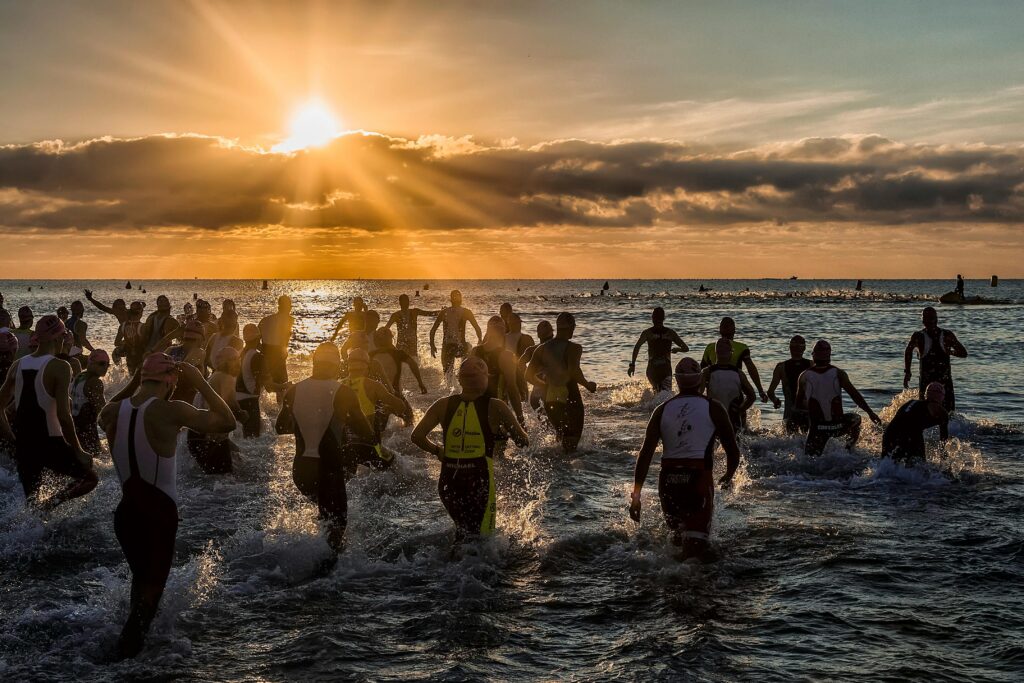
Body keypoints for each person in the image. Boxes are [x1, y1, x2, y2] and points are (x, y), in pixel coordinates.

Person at [98, 352, 235, 658]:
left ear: (142, 379)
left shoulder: (111, 411)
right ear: (171, 381)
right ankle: (123, 659)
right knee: (151, 594)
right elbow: (227, 422)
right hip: (158, 513)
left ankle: (131, 647)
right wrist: (201, 382)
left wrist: (133, 383)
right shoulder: (171, 410)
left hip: (126, 513)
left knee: (141, 582)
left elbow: (102, 415)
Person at [629, 357, 740, 558]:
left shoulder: (661, 410)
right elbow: (732, 451)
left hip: (668, 481)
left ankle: (670, 585)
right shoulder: (713, 407)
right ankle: (690, 585)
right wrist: (728, 476)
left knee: (676, 542)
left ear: (677, 381)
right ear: (700, 380)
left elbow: (644, 455)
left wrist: (636, 496)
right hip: (697, 479)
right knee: (696, 552)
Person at [411, 357, 528, 540]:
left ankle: (450, 565)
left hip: (449, 480)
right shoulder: (496, 406)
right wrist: (506, 430)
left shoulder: (442, 404)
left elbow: (416, 436)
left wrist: (437, 451)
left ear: (459, 379)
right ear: (484, 378)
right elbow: (522, 441)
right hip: (479, 480)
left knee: (462, 532)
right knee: (483, 539)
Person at [276, 342, 377, 553]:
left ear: (315, 362)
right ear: (336, 365)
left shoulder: (293, 390)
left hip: (301, 471)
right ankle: (329, 570)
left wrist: (309, 420)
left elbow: (281, 427)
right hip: (329, 468)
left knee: (325, 514)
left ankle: (311, 554)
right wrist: (343, 420)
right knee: (337, 527)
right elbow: (367, 433)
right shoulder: (344, 392)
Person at [0, 315, 98, 508]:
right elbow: (63, 415)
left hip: (24, 443)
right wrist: (78, 450)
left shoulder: (17, 365)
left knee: (31, 503)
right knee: (89, 479)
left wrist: (12, 439)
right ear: (58, 338)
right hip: (50, 442)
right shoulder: (61, 366)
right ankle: (50, 506)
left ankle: (33, 526)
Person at [525, 312, 598, 453]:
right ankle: (570, 473)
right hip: (570, 397)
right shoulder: (574, 348)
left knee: (560, 439)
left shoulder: (541, 349)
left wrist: (544, 385)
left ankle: (559, 473)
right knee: (572, 444)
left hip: (550, 399)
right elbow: (574, 372)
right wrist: (588, 385)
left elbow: (527, 375)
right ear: (571, 327)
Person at [796, 340, 881, 456]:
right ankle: (848, 449)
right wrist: (870, 413)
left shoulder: (803, 376)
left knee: (809, 462)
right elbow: (855, 395)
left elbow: (798, 405)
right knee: (856, 418)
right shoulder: (838, 373)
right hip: (837, 426)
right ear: (829, 356)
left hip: (817, 429)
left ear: (813, 355)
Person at [903, 306, 967, 439]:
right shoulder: (919, 336)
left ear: (936, 320)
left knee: (948, 414)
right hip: (929, 385)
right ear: (923, 321)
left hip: (943, 384)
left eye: (931, 319)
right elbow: (908, 352)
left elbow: (963, 353)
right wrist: (907, 372)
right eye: (927, 319)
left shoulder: (946, 335)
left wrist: (950, 352)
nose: (930, 322)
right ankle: (932, 441)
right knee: (929, 414)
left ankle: (943, 441)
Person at [341, 349, 408, 475]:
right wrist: (389, 407)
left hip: (344, 445)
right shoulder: (372, 385)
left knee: (349, 478)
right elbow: (401, 407)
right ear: (367, 367)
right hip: (369, 444)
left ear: (348, 366)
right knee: (394, 466)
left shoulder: (338, 385)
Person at [186, 347, 243, 474]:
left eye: (239, 359)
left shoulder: (213, 377)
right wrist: (242, 414)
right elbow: (230, 403)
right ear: (225, 362)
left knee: (236, 453)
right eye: (234, 359)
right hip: (209, 435)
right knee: (224, 478)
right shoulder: (226, 377)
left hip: (195, 436)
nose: (238, 363)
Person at [235, 324, 288, 438]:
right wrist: (284, 386)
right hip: (249, 403)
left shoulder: (238, 354)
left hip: (234, 402)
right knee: (252, 439)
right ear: (259, 339)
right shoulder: (258, 357)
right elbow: (269, 386)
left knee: (239, 438)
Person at [471, 316, 525, 425]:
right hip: (497, 408)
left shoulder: (474, 352)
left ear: (488, 331)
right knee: (498, 440)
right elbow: (512, 389)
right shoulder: (507, 356)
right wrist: (520, 418)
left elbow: (466, 381)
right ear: (504, 331)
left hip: (474, 407)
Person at [700, 317, 767, 402]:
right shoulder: (742, 348)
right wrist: (760, 390)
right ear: (734, 330)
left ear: (720, 330)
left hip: (715, 392)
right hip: (734, 390)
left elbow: (700, 373)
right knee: (737, 410)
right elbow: (751, 369)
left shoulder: (710, 347)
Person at [882, 382, 950, 466]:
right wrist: (944, 462)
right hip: (910, 434)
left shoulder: (911, 402)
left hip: (889, 433)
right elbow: (943, 440)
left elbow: (900, 421)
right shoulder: (941, 412)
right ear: (942, 397)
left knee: (886, 466)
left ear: (926, 394)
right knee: (919, 466)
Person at [700, 338, 756, 432]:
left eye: (725, 346)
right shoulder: (707, 372)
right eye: (720, 346)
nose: (722, 348)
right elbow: (698, 394)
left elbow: (752, 396)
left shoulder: (738, 373)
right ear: (716, 351)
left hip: (732, 416)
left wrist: (740, 410)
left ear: (731, 352)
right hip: (715, 416)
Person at [628, 307, 689, 392]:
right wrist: (677, 349)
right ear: (664, 318)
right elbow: (686, 348)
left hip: (653, 368)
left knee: (656, 392)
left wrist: (633, 365)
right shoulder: (670, 333)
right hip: (666, 369)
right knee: (666, 394)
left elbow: (637, 347)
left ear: (652, 318)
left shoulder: (647, 333)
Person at [766, 335, 813, 433]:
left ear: (789, 348)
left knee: (789, 442)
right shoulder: (812, 365)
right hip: (808, 411)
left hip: (790, 412)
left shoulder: (781, 367)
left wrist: (776, 402)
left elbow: (770, 392)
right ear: (804, 348)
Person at [430, 290, 482, 376]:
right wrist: (480, 341)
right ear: (461, 300)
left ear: (451, 300)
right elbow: (477, 328)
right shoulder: (466, 312)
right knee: (469, 348)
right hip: (461, 347)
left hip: (447, 347)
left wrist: (432, 345)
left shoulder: (444, 312)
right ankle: (463, 373)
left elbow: (433, 330)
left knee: (447, 376)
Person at [71, 349, 110, 454]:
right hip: (87, 434)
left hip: (74, 432)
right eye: (102, 363)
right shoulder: (95, 383)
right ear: (91, 363)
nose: (105, 367)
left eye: (108, 364)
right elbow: (103, 412)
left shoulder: (80, 376)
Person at [371, 328, 428, 394]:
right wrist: (420, 383)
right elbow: (413, 364)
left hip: (377, 394)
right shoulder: (398, 354)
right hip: (395, 393)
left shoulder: (371, 355)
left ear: (376, 341)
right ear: (390, 339)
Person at [258, 295, 294, 386]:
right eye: (290, 306)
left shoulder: (265, 320)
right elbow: (284, 340)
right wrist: (284, 353)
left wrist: (262, 350)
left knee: (264, 384)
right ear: (288, 307)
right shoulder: (289, 319)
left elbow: (256, 338)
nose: (290, 309)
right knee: (282, 385)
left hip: (264, 353)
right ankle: (280, 401)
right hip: (277, 353)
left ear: (279, 306)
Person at [520, 320, 554, 413]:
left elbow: (520, 364)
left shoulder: (532, 350)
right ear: (552, 334)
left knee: (545, 424)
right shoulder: (559, 349)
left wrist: (531, 378)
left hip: (536, 395)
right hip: (552, 394)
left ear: (538, 335)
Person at [504, 313, 534, 401]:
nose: (519, 325)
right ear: (510, 324)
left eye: (519, 323)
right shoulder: (526, 338)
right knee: (522, 397)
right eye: (517, 323)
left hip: (512, 370)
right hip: (516, 371)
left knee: (521, 396)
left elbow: (534, 356)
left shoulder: (503, 337)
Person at [116, 301, 147, 374]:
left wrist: (125, 343)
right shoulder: (143, 327)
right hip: (141, 358)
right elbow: (147, 343)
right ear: (141, 313)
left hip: (129, 356)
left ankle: (120, 372)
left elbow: (116, 342)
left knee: (131, 376)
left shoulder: (123, 326)